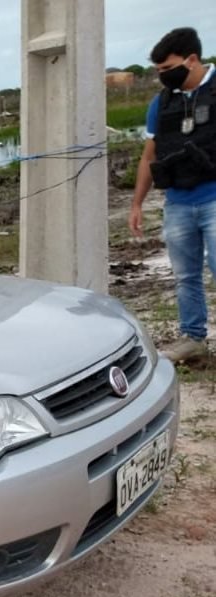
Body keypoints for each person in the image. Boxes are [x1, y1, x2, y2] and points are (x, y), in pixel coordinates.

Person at [129, 27, 216, 363]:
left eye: (167, 69)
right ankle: (193, 338)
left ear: (191, 60)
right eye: (158, 71)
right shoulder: (161, 103)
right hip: (178, 203)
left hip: (213, 199)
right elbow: (149, 156)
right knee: (185, 275)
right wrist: (136, 203)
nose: (163, 76)